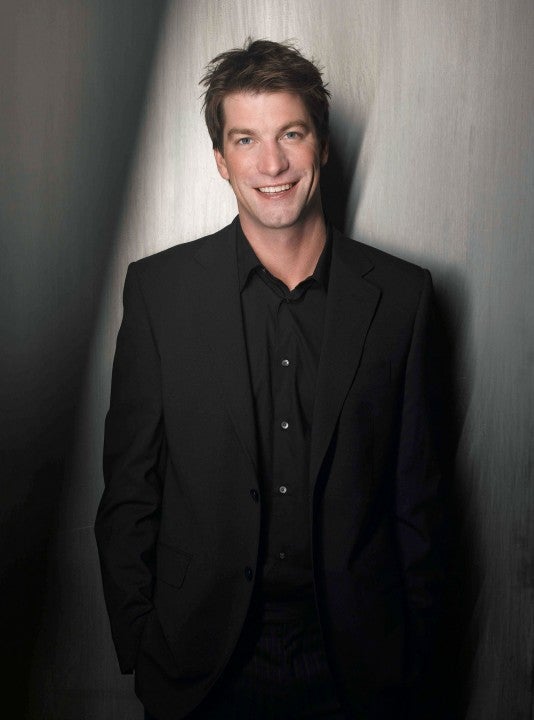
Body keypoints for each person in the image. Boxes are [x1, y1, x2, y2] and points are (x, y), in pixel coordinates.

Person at [95, 39, 443, 720]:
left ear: (322, 146)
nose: (272, 163)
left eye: (291, 133)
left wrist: (418, 659)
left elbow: (421, 502)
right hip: (200, 664)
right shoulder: (160, 292)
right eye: (246, 139)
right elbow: (131, 488)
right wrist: (142, 642)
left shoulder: (404, 298)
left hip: (357, 667)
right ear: (220, 160)